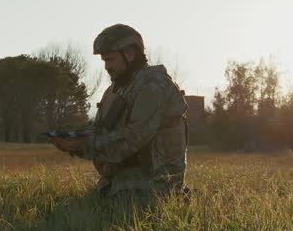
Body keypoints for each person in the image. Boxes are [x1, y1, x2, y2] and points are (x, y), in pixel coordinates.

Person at [50, 24, 189, 197]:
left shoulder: (153, 86)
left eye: (110, 60)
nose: (106, 67)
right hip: (125, 177)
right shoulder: (116, 89)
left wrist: (85, 145)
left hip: (158, 180)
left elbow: (133, 138)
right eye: (104, 61)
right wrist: (75, 140)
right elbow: (99, 128)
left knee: (118, 211)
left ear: (129, 54)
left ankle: (178, 196)